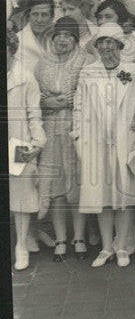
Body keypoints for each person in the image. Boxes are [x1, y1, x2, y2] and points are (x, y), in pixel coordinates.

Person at [74, 23, 135, 268]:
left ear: (120, 45)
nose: (105, 47)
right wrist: (79, 139)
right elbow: (79, 107)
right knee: (101, 196)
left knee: (123, 196)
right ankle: (106, 248)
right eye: (101, 42)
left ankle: (122, 246)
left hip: (125, 141)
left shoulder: (133, 71)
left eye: (110, 42)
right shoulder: (88, 71)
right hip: (95, 143)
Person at [35, 17, 88, 261]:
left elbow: (90, 93)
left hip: (76, 128)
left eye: (68, 36)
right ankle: (60, 239)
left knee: (76, 183)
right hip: (50, 128)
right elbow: (33, 95)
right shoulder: (42, 63)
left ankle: (79, 238)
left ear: (76, 40)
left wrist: (69, 100)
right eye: (59, 36)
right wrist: (46, 102)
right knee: (55, 185)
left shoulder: (86, 61)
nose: (62, 40)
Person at [8, 30, 47, 271]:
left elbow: (35, 115)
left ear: (12, 49)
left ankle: (21, 245)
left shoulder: (25, 78)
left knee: (21, 198)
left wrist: (37, 143)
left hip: (19, 143)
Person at [17, 0, 56, 75]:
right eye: (35, 14)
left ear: (51, 17)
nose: (39, 20)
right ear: (29, 16)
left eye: (44, 15)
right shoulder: (19, 41)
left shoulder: (57, 39)